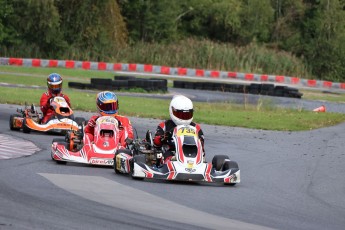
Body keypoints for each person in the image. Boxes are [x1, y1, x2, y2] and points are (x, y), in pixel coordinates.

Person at [153, 95, 205, 164]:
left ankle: (198, 163)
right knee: (168, 154)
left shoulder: (196, 128)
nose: (184, 118)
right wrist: (163, 138)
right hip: (171, 152)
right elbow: (155, 143)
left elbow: (201, 147)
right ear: (172, 111)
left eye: (187, 115)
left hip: (192, 153)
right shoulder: (164, 126)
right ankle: (171, 162)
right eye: (181, 115)